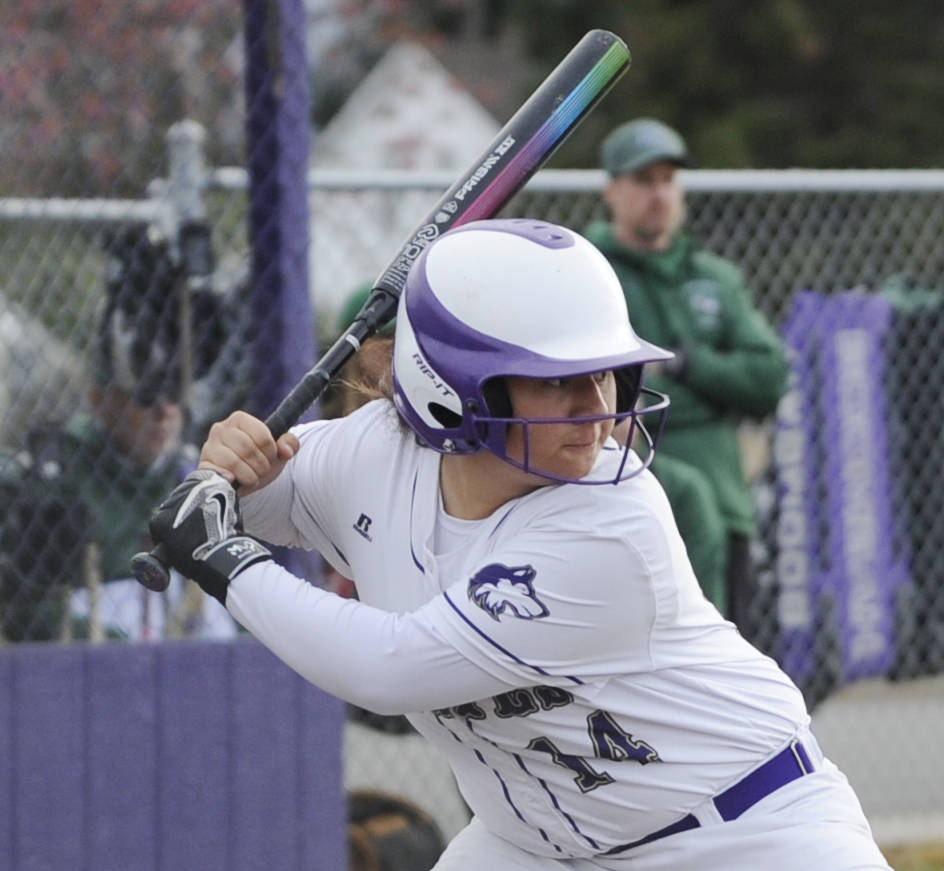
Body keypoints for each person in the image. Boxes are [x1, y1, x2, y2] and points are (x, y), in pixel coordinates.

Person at [148, 219, 890, 869]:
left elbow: (388, 665)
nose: (598, 409)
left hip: (743, 833)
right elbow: (248, 501)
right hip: (534, 844)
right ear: (455, 390)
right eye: (557, 380)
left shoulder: (613, 523)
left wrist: (225, 564)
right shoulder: (367, 457)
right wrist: (229, 472)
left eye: (606, 372)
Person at [584, 118, 790, 635]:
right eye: (643, 180)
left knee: (726, 666)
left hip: (724, 508)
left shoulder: (716, 279)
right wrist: (711, 392)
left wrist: (687, 365)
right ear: (611, 189)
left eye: (668, 180)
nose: (659, 194)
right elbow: (590, 393)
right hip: (624, 508)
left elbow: (768, 379)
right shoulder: (588, 271)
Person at [0, 224, 237, 641]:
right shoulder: (56, 478)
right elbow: (25, 610)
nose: (163, 412)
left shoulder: (196, 479)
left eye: (174, 396)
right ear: (99, 401)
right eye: (145, 398)